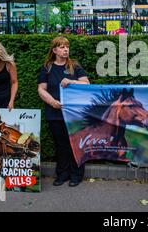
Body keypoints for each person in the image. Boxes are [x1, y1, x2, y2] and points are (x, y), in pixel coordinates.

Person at [37, 36, 90, 187]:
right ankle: (62, 174)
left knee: (75, 144)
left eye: (67, 46)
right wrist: (52, 102)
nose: (66, 49)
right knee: (60, 145)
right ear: (54, 50)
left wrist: (72, 81)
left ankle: (76, 175)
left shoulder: (74, 66)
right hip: (54, 113)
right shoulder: (47, 67)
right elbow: (41, 89)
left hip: (74, 114)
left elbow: (87, 84)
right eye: (62, 47)